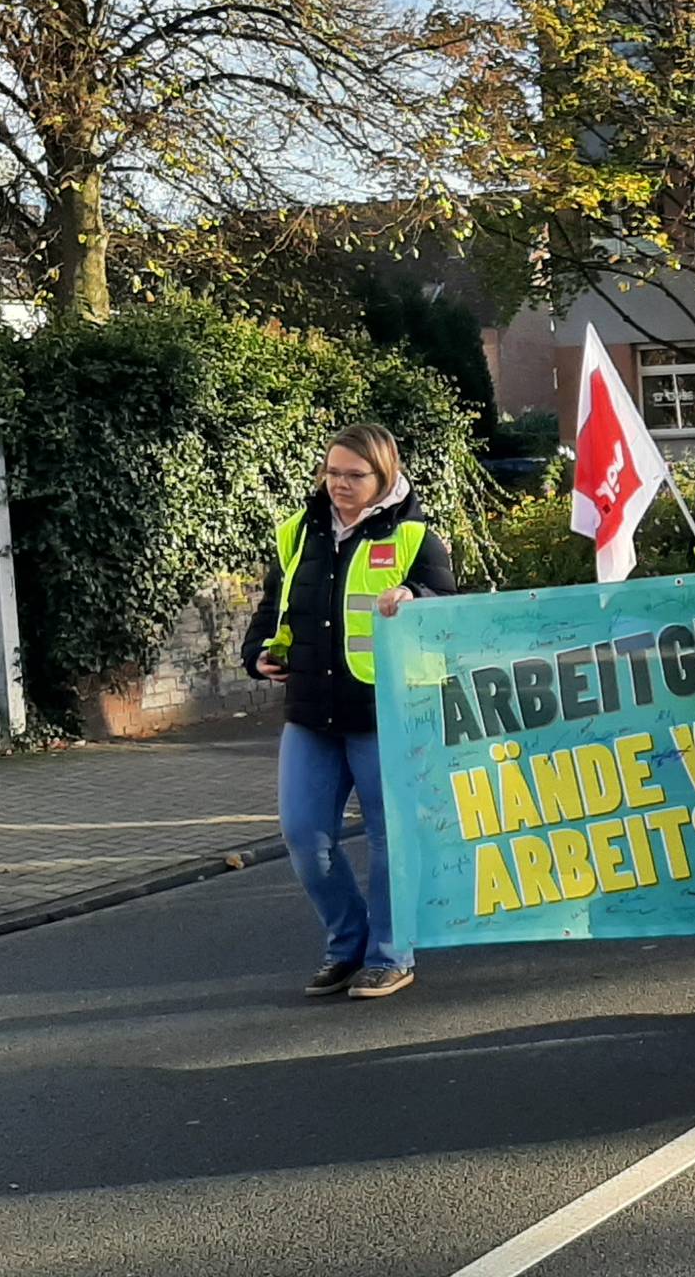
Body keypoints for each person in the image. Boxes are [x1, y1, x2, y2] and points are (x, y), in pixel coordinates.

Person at [242, 423, 457, 1000]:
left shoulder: (415, 537)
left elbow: (447, 606)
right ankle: (348, 944)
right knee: (304, 835)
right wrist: (256, 653)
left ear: (383, 475)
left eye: (354, 475)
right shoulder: (297, 532)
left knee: (391, 840)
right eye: (332, 472)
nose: (339, 484)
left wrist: (416, 597)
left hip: (383, 711)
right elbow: (274, 607)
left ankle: (390, 955)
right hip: (310, 710)